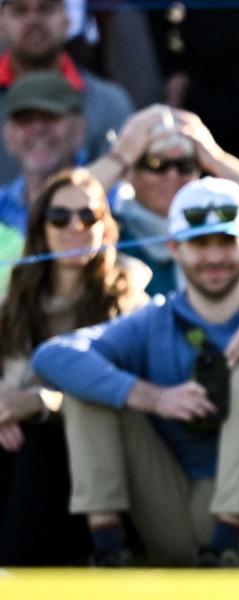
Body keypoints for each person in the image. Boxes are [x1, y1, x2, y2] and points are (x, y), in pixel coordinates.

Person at [32, 177, 239, 566]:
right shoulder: (153, 319)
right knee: (87, 386)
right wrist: (153, 397)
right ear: (175, 248)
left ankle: (226, 543)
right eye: (199, 243)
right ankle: (109, 553)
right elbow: (53, 355)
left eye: (226, 241)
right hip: (177, 515)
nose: (214, 257)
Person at [0, 168, 148, 565]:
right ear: (40, 226)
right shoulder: (12, 303)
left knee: (39, 443)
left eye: (89, 216)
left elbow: (132, 397)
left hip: (107, 462)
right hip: (15, 451)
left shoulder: (131, 304)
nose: (75, 227)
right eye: (60, 217)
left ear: (106, 227)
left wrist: (36, 402)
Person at [85, 104, 239, 295]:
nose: (173, 176)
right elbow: (58, 207)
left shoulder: (219, 221)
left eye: (185, 165)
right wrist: (120, 157)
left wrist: (216, 157)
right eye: (157, 164)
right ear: (130, 171)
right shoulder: (109, 229)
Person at [0, 0, 133, 185]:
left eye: (46, 9)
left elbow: (121, 188)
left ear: (67, 21)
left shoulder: (109, 103)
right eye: (20, 11)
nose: (34, 20)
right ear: (1, 23)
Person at [0, 71, 84, 289]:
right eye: (25, 120)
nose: (38, 129)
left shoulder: (113, 199)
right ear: (8, 135)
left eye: (50, 116)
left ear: (78, 129)